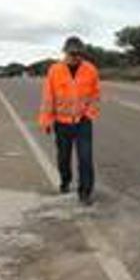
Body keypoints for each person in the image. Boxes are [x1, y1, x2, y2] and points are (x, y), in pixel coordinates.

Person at [39, 36, 101, 205]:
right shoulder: (54, 70)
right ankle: (65, 180)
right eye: (72, 53)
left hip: (83, 122)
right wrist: (46, 120)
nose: (75, 57)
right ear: (65, 52)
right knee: (63, 158)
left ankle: (85, 192)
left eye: (78, 54)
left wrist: (89, 114)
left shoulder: (91, 70)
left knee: (85, 158)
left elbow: (95, 95)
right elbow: (48, 97)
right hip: (62, 123)